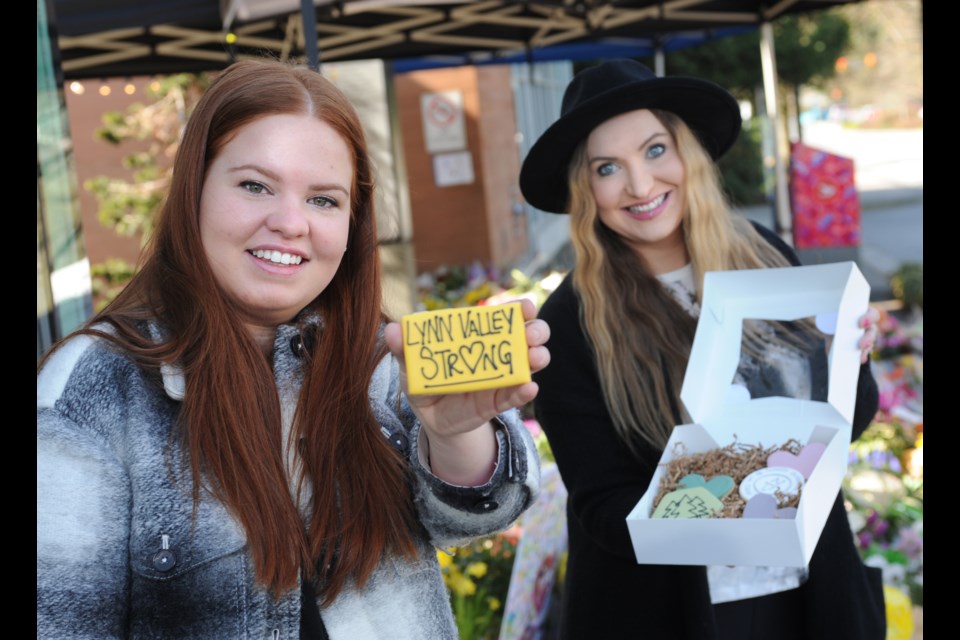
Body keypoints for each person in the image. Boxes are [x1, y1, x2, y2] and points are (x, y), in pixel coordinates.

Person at [37, 58, 551, 639]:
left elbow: (473, 515)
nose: (290, 223)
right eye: (255, 185)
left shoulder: (376, 354)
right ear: (194, 190)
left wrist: (455, 433)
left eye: (323, 200)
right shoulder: (92, 387)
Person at [519, 59, 885, 640]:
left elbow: (846, 422)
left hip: (808, 599)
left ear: (688, 152)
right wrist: (720, 500)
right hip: (672, 614)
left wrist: (850, 362)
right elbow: (602, 509)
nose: (640, 185)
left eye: (656, 150)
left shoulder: (763, 257)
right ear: (585, 189)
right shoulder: (571, 323)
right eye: (608, 167)